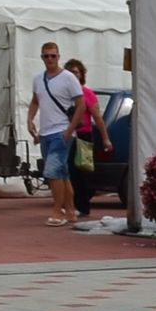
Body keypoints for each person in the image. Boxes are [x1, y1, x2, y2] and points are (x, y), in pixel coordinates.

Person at [30, 40, 81, 226]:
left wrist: (70, 129)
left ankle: (57, 212)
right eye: (46, 56)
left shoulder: (68, 78)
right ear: (42, 57)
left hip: (61, 131)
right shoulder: (38, 79)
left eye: (53, 56)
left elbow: (81, 104)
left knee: (51, 172)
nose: (50, 59)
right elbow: (35, 101)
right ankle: (70, 211)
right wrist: (30, 120)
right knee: (61, 173)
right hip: (46, 132)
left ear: (58, 57)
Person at [64, 56, 105, 218]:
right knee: (67, 170)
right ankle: (70, 204)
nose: (73, 76)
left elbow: (97, 117)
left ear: (81, 74)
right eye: (69, 73)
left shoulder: (87, 93)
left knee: (79, 171)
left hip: (83, 135)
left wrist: (105, 138)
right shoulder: (64, 93)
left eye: (76, 72)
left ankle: (82, 206)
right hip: (67, 134)